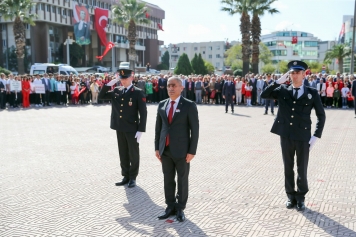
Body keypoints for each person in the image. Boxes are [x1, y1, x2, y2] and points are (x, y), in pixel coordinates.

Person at [261, 60, 326, 212]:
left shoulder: (312, 93)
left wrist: (315, 137)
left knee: (302, 168)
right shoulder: (282, 89)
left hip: (303, 137)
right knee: (288, 167)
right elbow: (264, 95)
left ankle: (301, 198)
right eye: (292, 73)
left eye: (298, 72)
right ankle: (290, 196)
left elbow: (321, 116)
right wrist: (277, 81)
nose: (294, 75)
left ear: (304, 74)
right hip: (286, 135)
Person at [155, 76, 199, 222]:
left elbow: (195, 129)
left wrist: (192, 151)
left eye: (174, 85)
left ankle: (180, 208)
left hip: (182, 151)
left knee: (182, 179)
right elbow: (158, 128)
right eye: (168, 86)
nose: (171, 88)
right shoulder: (162, 104)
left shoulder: (189, 105)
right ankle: (170, 206)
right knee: (167, 179)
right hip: (165, 150)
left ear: (181, 88)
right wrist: (157, 147)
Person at [99, 69, 147, 188]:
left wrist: (141, 129)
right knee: (123, 152)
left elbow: (143, 113)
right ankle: (125, 175)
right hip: (119, 127)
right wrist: (110, 83)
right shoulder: (116, 90)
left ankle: (133, 177)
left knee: (133, 154)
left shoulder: (137, 92)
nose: (123, 81)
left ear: (131, 78)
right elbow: (101, 97)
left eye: (125, 78)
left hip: (132, 128)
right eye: (121, 78)